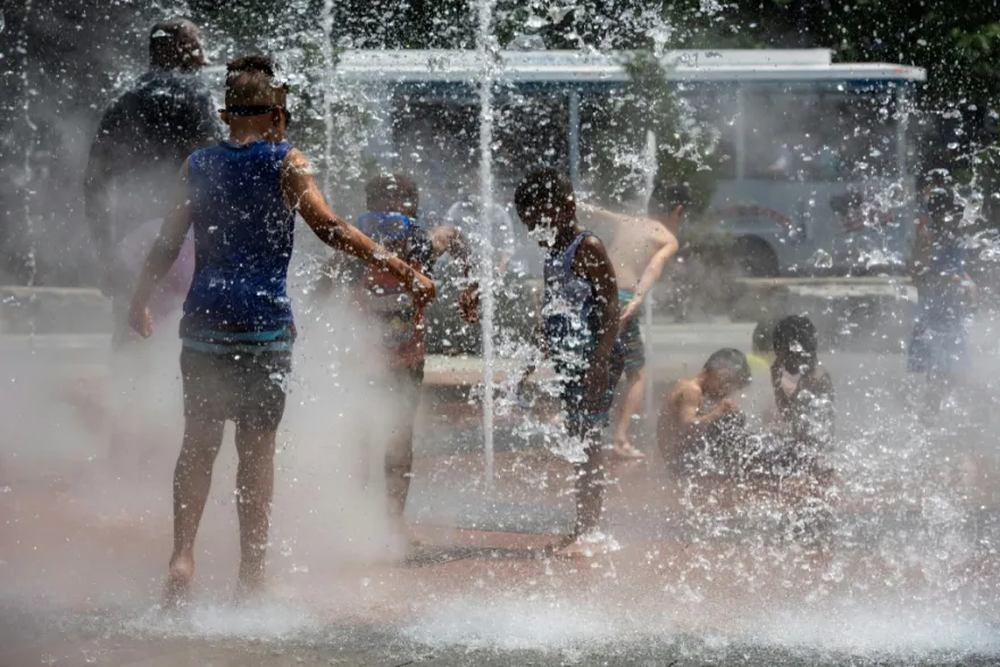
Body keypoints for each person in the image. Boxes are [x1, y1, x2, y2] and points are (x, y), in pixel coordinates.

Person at [127, 56, 436, 606]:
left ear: (225, 114)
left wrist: (138, 300)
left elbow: (168, 242)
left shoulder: (195, 164)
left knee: (197, 444)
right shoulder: (286, 162)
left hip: (204, 324)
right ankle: (251, 575)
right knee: (256, 450)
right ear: (277, 116)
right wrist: (403, 267)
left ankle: (181, 557)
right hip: (263, 329)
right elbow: (332, 229)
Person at [341, 173, 479, 542]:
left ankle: (388, 522)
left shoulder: (414, 247)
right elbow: (326, 280)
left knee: (392, 439)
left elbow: (455, 237)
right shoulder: (359, 247)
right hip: (369, 359)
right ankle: (365, 520)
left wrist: (470, 286)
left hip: (401, 359)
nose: (391, 215)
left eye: (400, 204)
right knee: (369, 437)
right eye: (380, 205)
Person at [85, 17, 221, 335]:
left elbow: (93, 183)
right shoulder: (196, 98)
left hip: (131, 244)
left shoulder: (123, 102)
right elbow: (217, 174)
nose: (205, 57)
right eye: (196, 47)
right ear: (173, 50)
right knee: (185, 353)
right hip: (183, 244)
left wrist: (106, 254)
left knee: (132, 340)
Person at [514, 168, 623, 557]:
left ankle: (590, 531)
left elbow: (612, 305)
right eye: (530, 224)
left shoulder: (585, 246)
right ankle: (583, 525)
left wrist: (600, 361)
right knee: (579, 438)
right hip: (572, 357)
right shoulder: (555, 249)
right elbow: (555, 309)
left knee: (589, 441)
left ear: (568, 207)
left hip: (595, 355)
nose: (537, 229)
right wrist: (530, 360)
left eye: (542, 219)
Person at [576, 183, 685, 460]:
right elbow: (653, 267)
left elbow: (595, 211)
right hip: (623, 297)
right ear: (678, 211)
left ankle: (572, 421)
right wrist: (637, 298)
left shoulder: (627, 220)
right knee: (637, 373)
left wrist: (574, 203)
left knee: (594, 356)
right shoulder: (667, 237)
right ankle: (621, 439)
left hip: (594, 290)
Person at [907, 186, 976, 414]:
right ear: (936, 213)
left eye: (955, 213)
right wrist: (949, 279)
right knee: (935, 369)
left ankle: (943, 416)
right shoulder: (928, 238)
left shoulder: (954, 239)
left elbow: (958, 269)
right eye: (947, 212)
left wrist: (968, 283)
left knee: (954, 369)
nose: (953, 218)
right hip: (932, 312)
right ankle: (930, 414)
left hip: (953, 312)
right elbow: (917, 274)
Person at [657, 348, 752, 477]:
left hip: (680, 457)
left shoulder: (693, 387)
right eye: (727, 388)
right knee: (732, 419)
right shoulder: (692, 390)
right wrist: (717, 412)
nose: (724, 394)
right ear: (723, 375)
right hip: (680, 461)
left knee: (733, 420)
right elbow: (686, 425)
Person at [769, 315, 835, 474]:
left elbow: (788, 415)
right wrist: (776, 382)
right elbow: (788, 415)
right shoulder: (810, 376)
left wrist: (777, 382)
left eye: (780, 353)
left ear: (793, 350)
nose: (779, 359)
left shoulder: (815, 379)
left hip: (811, 463)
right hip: (808, 458)